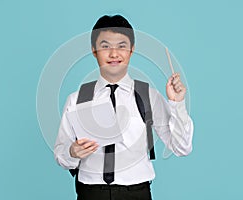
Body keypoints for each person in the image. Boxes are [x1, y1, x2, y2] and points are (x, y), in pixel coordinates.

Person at [54, 15, 194, 200]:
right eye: (105, 46)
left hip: (136, 193)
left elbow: (181, 148)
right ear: (94, 51)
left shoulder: (148, 95)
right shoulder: (77, 99)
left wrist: (177, 104)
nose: (114, 54)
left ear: (131, 50)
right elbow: (61, 154)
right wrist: (72, 153)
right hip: (91, 193)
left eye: (121, 46)